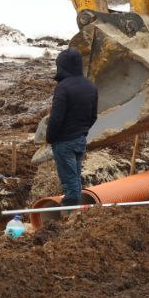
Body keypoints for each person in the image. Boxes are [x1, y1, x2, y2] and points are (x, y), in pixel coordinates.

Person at [46, 47, 98, 207]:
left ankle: (68, 216)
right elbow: (93, 116)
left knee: (70, 184)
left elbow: (56, 119)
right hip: (80, 140)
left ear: (63, 66)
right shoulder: (90, 86)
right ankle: (75, 213)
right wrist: (82, 131)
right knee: (75, 178)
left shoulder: (63, 87)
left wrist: (50, 138)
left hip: (64, 142)